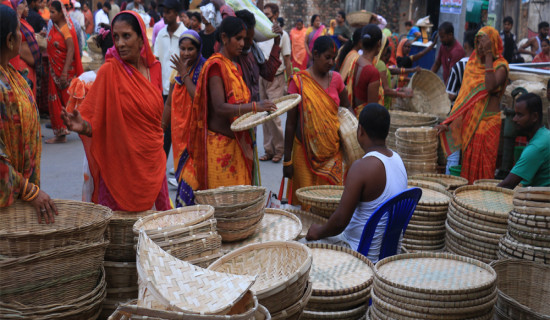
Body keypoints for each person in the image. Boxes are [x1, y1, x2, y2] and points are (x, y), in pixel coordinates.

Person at [62, 11, 171, 212]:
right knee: (119, 233)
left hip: (153, 162)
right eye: (116, 37)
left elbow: (155, 120)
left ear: (141, 39)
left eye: (126, 36)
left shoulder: (154, 69)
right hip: (119, 169)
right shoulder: (109, 72)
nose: (120, 43)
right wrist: (83, 126)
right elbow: (95, 124)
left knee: (158, 229)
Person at [305, 103, 407, 261]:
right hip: (389, 251)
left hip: (360, 252)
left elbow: (340, 222)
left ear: (361, 131)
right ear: (387, 132)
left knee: (302, 243)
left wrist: (317, 231)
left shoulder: (361, 167)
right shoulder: (397, 160)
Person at [188, 16, 277, 190]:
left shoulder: (233, 66)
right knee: (225, 209)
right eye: (238, 38)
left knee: (239, 206)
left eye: (244, 38)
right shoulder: (216, 66)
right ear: (224, 38)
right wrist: (255, 106)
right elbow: (220, 107)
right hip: (220, 148)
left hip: (237, 145)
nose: (243, 43)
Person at [1, 4, 57, 222]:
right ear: (9, 41)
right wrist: (29, 191)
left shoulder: (11, 74)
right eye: (18, 31)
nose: (22, 36)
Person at [437, 26, 508, 184]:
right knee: (468, 167)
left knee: (485, 168)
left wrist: (489, 54)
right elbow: (463, 101)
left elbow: (490, 87)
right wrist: (448, 122)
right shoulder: (471, 66)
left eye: (484, 42)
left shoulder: (501, 66)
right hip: (471, 124)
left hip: (489, 123)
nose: (481, 46)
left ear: (493, 43)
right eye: (478, 42)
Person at [284, 36, 350, 206]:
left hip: (332, 152)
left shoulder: (336, 80)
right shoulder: (299, 82)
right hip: (304, 154)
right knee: (307, 204)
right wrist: (287, 160)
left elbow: (347, 109)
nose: (332, 62)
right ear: (315, 54)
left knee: (330, 203)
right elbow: (290, 123)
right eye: (327, 57)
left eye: (334, 58)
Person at [162, 30, 205, 206]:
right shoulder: (176, 72)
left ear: (198, 49)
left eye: (190, 49)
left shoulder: (204, 69)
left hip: (196, 138)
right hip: (180, 136)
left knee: (192, 181)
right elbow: (169, 104)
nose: (186, 53)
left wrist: (184, 73)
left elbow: (198, 98)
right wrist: (161, 128)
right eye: (183, 49)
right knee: (184, 178)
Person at [257, 2, 291, 164]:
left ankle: (279, 149)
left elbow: (287, 59)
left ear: (275, 15)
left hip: (276, 77)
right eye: (264, 14)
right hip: (261, 77)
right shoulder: (261, 32)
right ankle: (268, 150)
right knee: (264, 115)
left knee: (274, 115)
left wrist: (289, 82)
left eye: (268, 15)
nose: (266, 17)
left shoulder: (282, 35)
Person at [46, 0, 83, 144]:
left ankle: (67, 131)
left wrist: (64, 72)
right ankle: (61, 132)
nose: (50, 15)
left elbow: (71, 50)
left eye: (53, 12)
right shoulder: (55, 26)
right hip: (55, 69)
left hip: (62, 71)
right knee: (58, 101)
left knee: (65, 101)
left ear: (61, 13)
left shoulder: (66, 29)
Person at [154, 0, 187, 158]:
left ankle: (179, 172)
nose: (165, 15)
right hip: (164, 91)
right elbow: (157, 60)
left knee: (180, 132)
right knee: (164, 133)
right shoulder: (161, 34)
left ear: (176, 14)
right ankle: (160, 172)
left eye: (168, 12)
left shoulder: (186, 34)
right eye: (164, 12)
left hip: (181, 90)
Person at [498, 93, 549, 189]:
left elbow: (507, 185)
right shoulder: (545, 134)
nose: (514, 119)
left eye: (519, 115)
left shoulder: (536, 147)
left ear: (534, 117)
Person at [234, 9, 282, 102]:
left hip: (254, 110)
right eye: (247, 39)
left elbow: (268, 74)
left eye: (253, 37)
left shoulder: (253, 50)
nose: (251, 42)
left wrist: (276, 43)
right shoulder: (231, 56)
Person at [348, 24, 382, 117]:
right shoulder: (372, 72)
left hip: (354, 116)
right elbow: (372, 111)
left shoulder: (356, 61)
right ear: (379, 43)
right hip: (365, 122)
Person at [10, 0, 41, 99]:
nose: (26, 9)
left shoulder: (24, 21)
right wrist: (18, 14)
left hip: (29, 65)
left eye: (27, 6)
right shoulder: (14, 21)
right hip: (20, 63)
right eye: (24, 5)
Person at [446, 30, 476, 102]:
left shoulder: (459, 65)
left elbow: (451, 95)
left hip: (460, 107)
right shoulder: (484, 65)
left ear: (465, 45)